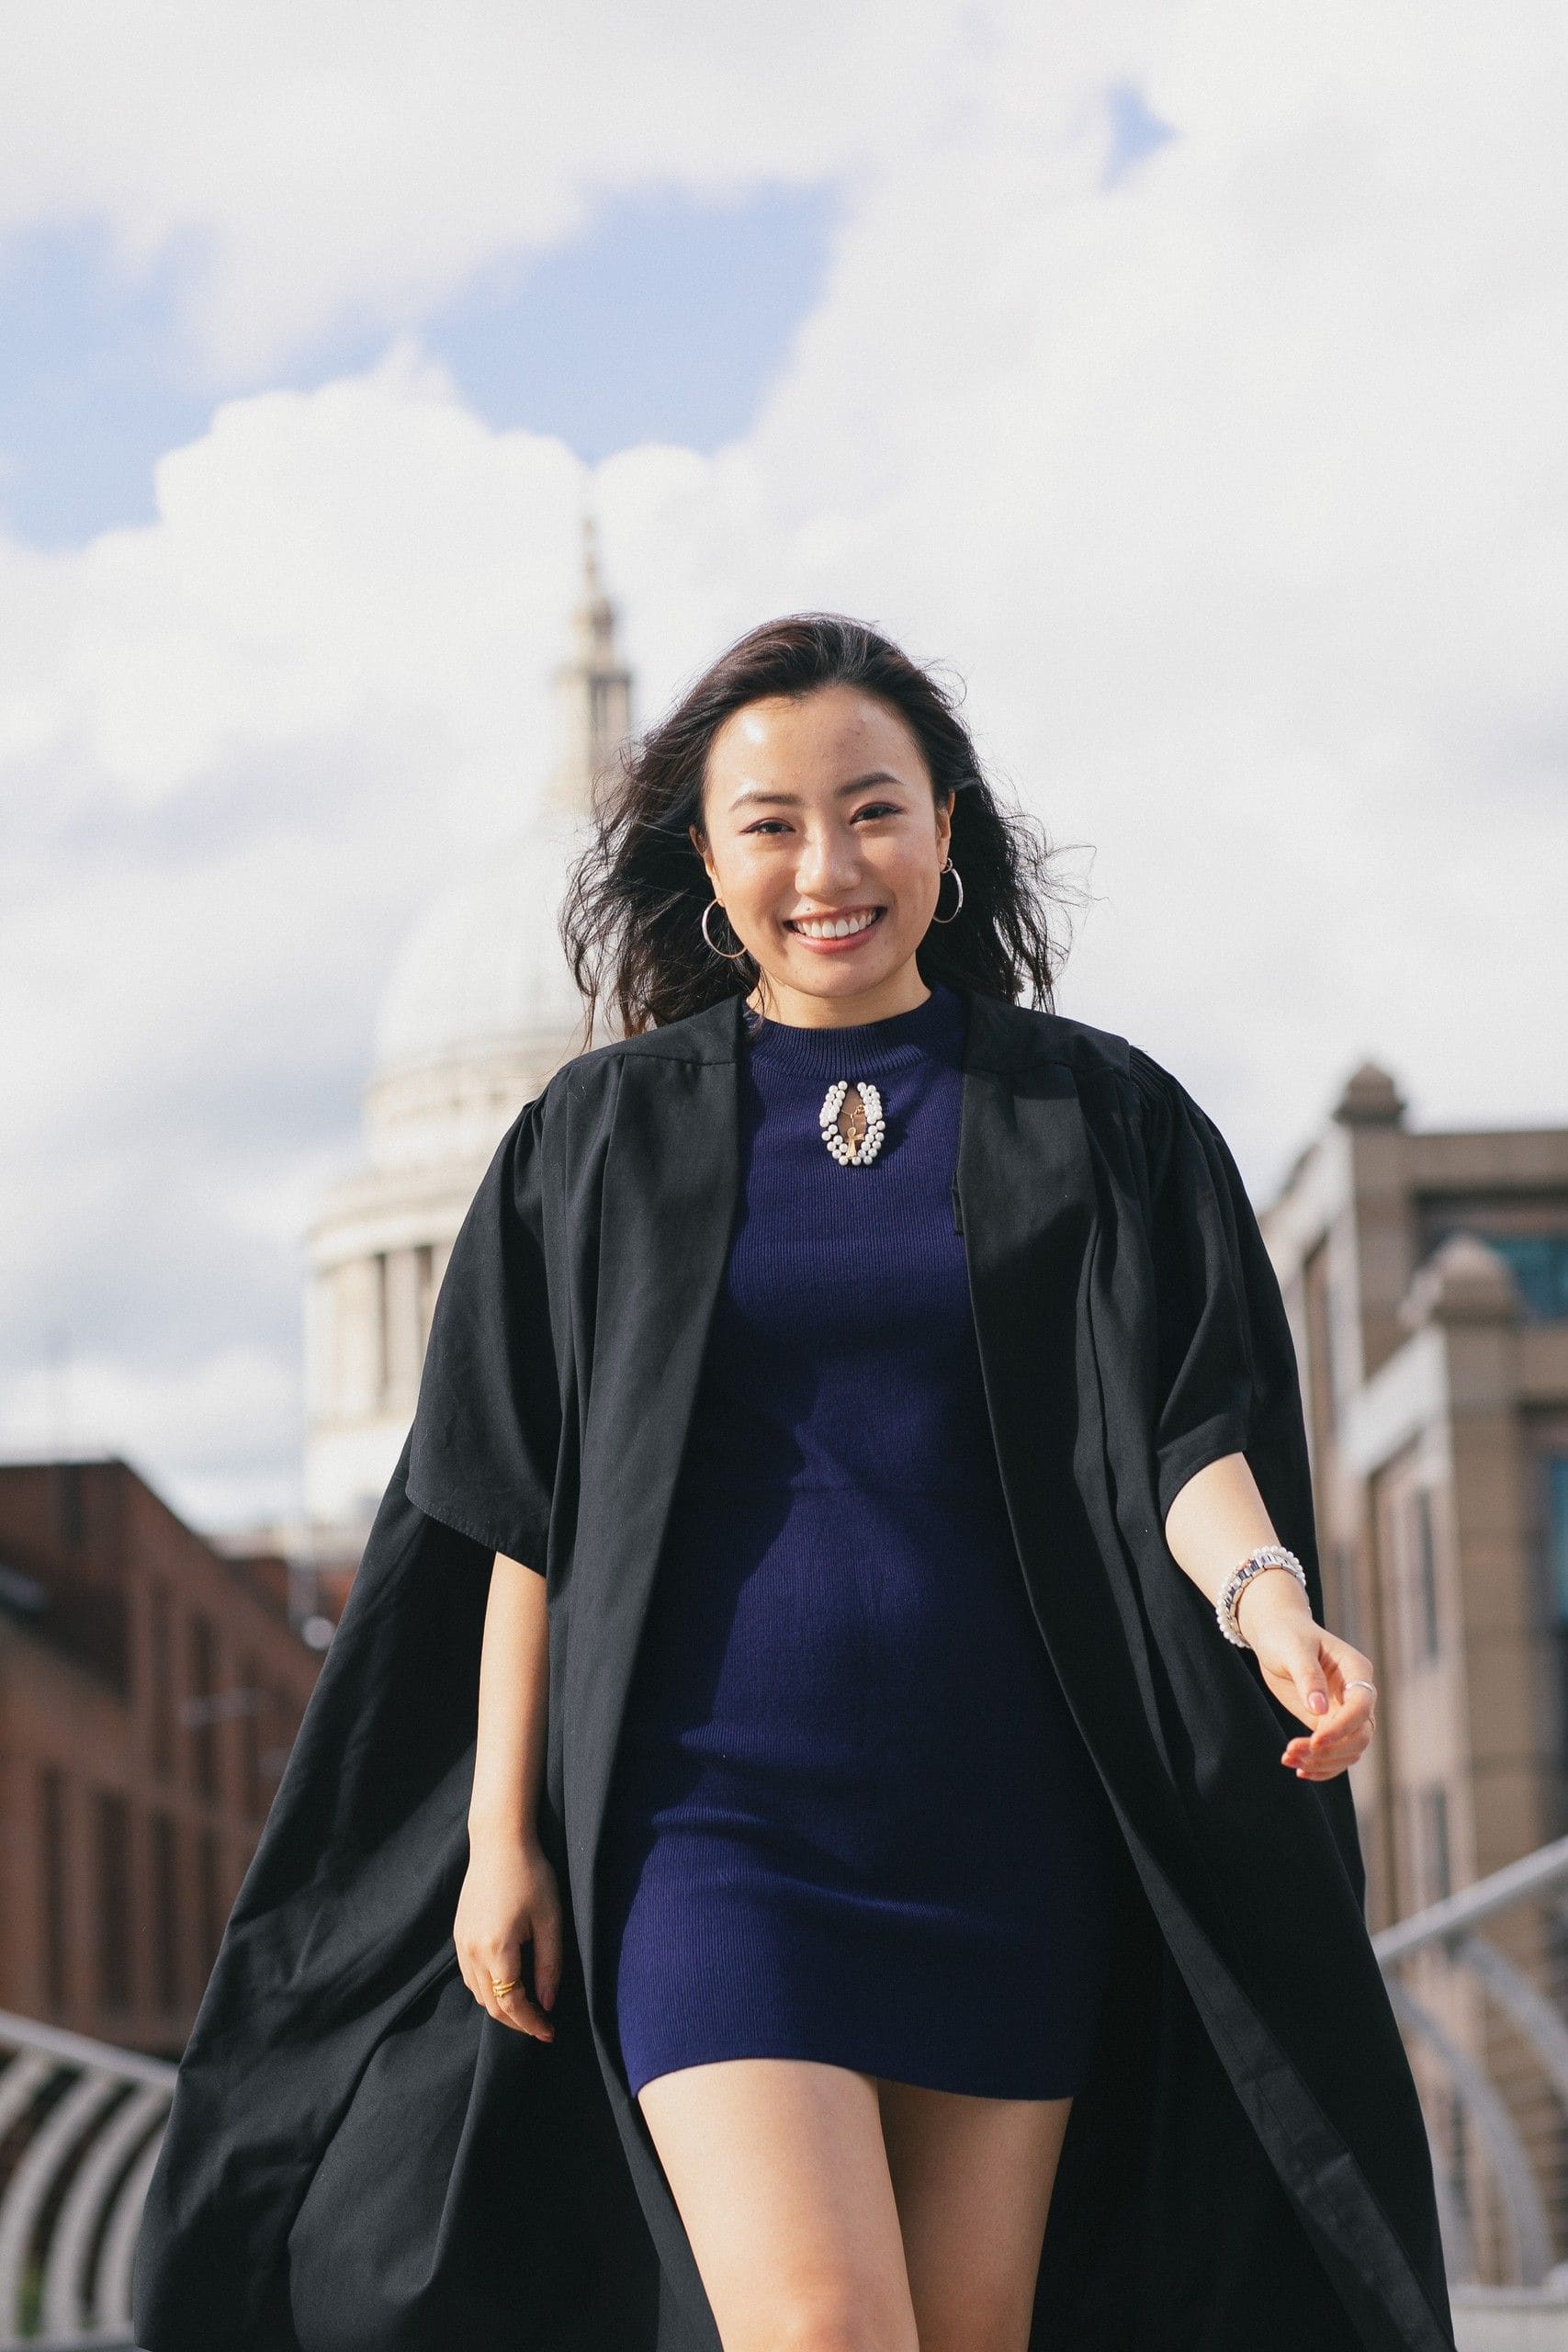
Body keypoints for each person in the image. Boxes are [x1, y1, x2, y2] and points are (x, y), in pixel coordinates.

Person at [133, 616, 1457, 2352]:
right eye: (771, 824)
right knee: (823, 2328)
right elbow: (525, 1514)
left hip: (1008, 1826)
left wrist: (1270, 1608)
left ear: (945, 827)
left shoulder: (1099, 1120)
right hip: (713, 1832)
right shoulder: (598, 1140)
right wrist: (501, 1837)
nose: (827, 868)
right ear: (706, 858)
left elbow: (1179, 1438)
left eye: (873, 810)